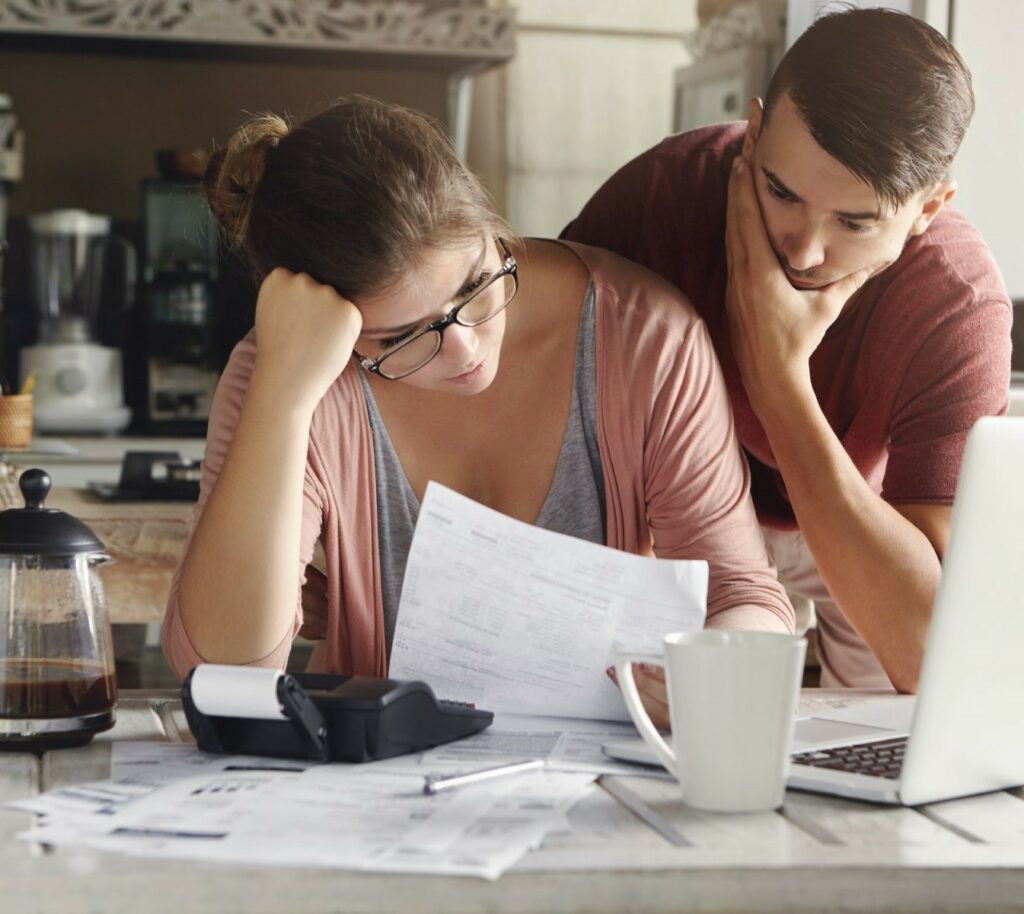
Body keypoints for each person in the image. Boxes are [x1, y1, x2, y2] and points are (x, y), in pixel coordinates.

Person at [161, 96, 794, 727]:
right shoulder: (284, 375)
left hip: (608, 782)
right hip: (376, 793)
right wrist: (283, 399)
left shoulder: (645, 336)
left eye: (475, 284)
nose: (466, 348)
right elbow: (221, 672)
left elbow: (744, 595)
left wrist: (717, 668)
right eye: (402, 337)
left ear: (491, 225)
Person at [563, 7, 1012, 693]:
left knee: (892, 734)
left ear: (928, 209)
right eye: (780, 191)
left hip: (857, 510)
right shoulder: (660, 197)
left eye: (855, 222)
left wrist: (777, 378)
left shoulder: (956, 302)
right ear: (754, 130)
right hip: (681, 506)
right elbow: (534, 388)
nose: (803, 248)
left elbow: (927, 655)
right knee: (647, 713)